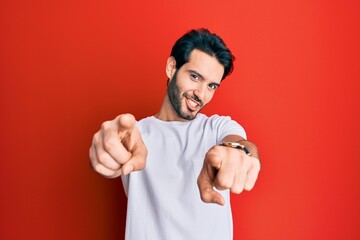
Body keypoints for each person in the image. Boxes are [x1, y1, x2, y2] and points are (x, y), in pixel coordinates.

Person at [89, 28, 261, 240]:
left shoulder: (217, 127)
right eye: (195, 77)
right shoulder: (135, 134)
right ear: (172, 68)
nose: (201, 94)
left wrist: (238, 152)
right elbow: (115, 155)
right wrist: (107, 151)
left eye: (212, 86)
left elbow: (240, 143)